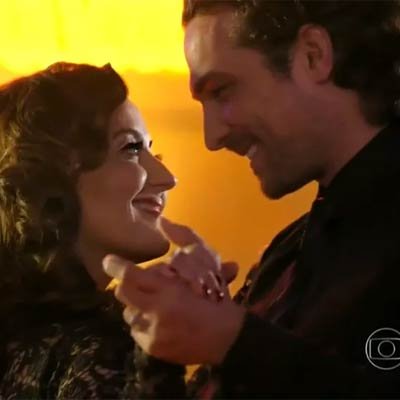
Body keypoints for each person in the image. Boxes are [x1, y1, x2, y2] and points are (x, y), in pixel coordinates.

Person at [103, 0, 400, 398]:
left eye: (221, 90)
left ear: (313, 56)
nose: (212, 137)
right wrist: (178, 337)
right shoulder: (288, 252)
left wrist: (234, 340)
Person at [0, 61, 196, 399]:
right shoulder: (99, 352)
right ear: (51, 178)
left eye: (154, 151)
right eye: (131, 149)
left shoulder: (25, 339)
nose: (167, 178)